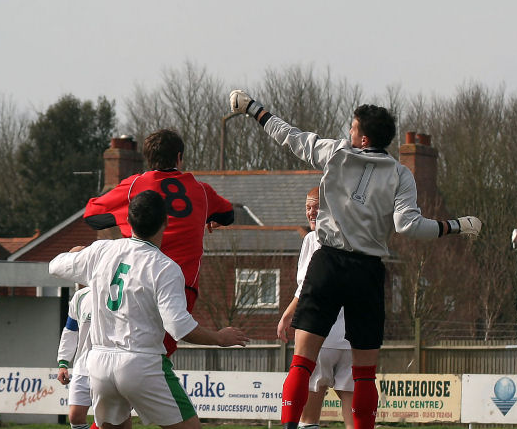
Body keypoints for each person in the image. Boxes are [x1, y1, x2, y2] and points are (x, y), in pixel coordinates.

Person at [229, 90, 482, 429]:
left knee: (301, 365)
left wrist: (252, 109)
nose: (347, 132)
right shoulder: (400, 174)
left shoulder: (337, 152)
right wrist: (455, 226)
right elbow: (408, 225)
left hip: (328, 263)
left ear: (362, 139)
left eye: (351, 128)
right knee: (364, 376)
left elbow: (289, 136)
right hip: (367, 271)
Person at [50, 190, 249, 429]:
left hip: (100, 363)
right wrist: (219, 338)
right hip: (141, 363)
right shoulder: (165, 267)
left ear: (128, 220)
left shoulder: (102, 250)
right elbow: (179, 327)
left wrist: (81, 254)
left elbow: (55, 266)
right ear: (166, 221)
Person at [83, 128, 235, 356]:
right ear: (179, 157)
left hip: (139, 283)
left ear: (148, 158)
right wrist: (208, 217)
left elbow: (92, 216)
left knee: (132, 352)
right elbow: (228, 214)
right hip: (181, 287)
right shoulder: (201, 191)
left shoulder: (135, 185)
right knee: (156, 356)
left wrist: (129, 217)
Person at [277, 187, 352, 429]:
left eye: (316, 207)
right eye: (308, 207)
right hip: (352, 339)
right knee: (355, 416)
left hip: (320, 336)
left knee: (308, 417)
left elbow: (306, 287)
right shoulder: (357, 237)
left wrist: (288, 315)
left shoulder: (313, 239)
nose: (311, 212)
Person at [56, 286, 94, 429]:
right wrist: (63, 363)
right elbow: (70, 330)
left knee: (110, 419)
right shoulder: (80, 296)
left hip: (109, 367)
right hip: (82, 366)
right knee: (75, 417)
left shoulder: (118, 292)